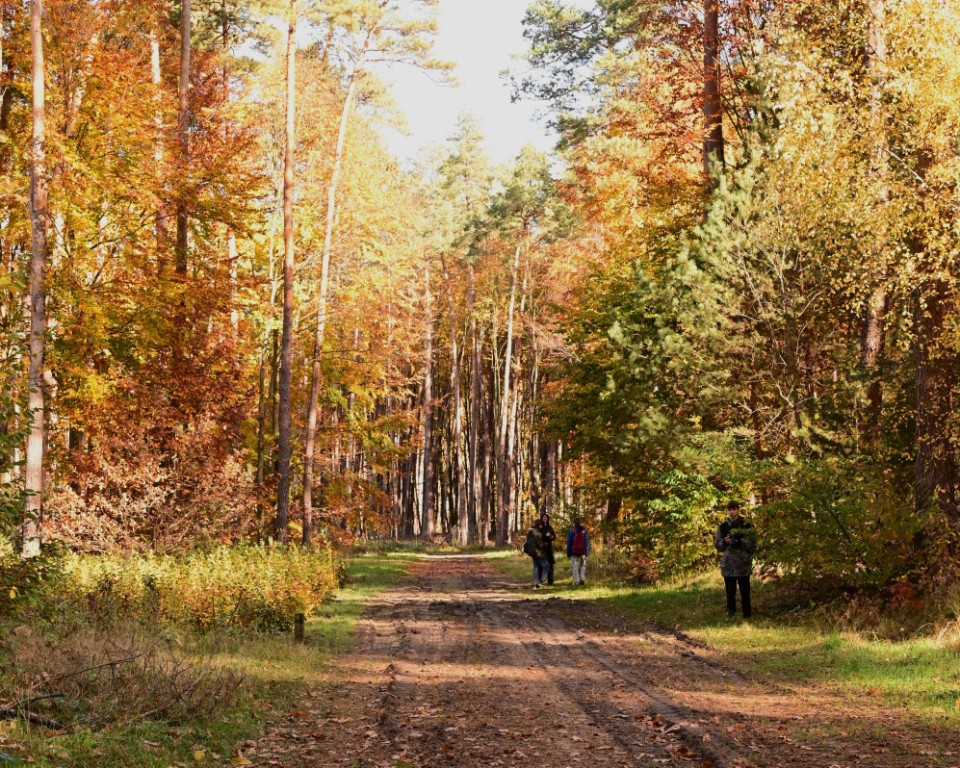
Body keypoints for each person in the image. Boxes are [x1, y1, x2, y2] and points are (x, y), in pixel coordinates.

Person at [715, 500, 756, 618]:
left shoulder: (747, 524)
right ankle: (731, 614)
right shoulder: (722, 527)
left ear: (738, 509)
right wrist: (725, 541)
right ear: (727, 511)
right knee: (730, 592)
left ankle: (747, 614)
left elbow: (753, 544)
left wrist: (739, 541)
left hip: (743, 563)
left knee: (745, 591)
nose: (732, 512)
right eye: (729, 509)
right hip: (728, 565)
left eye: (734, 509)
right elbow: (718, 546)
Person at [523, 518, 550, 589]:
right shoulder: (537, 532)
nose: (542, 526)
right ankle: (542, 581)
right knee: (547, 565)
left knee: (536, 566)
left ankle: (535, 583)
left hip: (532, 552)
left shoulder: (530, 532)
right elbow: (540, 544)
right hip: (538, 552)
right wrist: (545, 544)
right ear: (539, 525)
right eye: (541, 525)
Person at [566, 518, 590, 586]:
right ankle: (582, 579)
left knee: (575, 567)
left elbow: (569, 543)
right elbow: (587, 541)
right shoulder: (584, 531)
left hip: (574, 552)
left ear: (573, 523)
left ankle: (576, 581)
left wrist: (568, 553)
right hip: (582, 552)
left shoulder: (572, 531)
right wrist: (587, 552)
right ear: (580, 523)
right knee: (582, 566)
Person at [539, 512, 557, 585]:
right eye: (543, 518)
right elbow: (538, 537)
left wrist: (551, 537)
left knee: (551, 564)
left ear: (548, 519)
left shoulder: (550, 527)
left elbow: (554, 536)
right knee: (542, 565)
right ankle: (540, 580)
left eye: (546, 518)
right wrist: (545, 536)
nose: (545, 519)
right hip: (541, 549)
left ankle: (550, 581)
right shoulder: (539, 527)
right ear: (542, 519)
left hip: (549, 549)